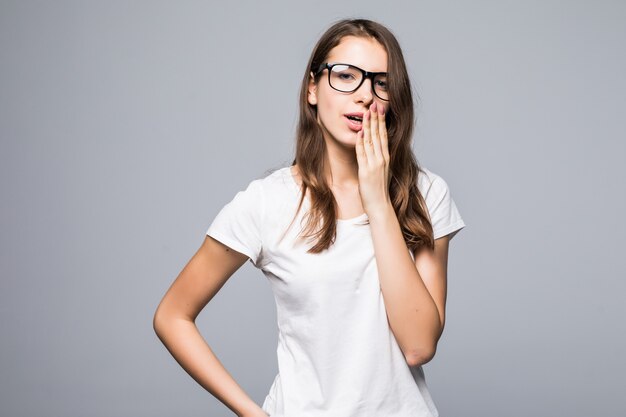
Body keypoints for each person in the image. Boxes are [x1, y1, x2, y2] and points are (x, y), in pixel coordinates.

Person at [153, 18, 465, 417]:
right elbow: (172, 315)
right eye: (346, 76)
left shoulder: (426, 193)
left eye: (381, 83)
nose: (365, 95)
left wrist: (378, 202)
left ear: (392, 101)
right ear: (312, 89)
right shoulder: (268, 202)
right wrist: (251, 412)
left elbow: (419, 344)